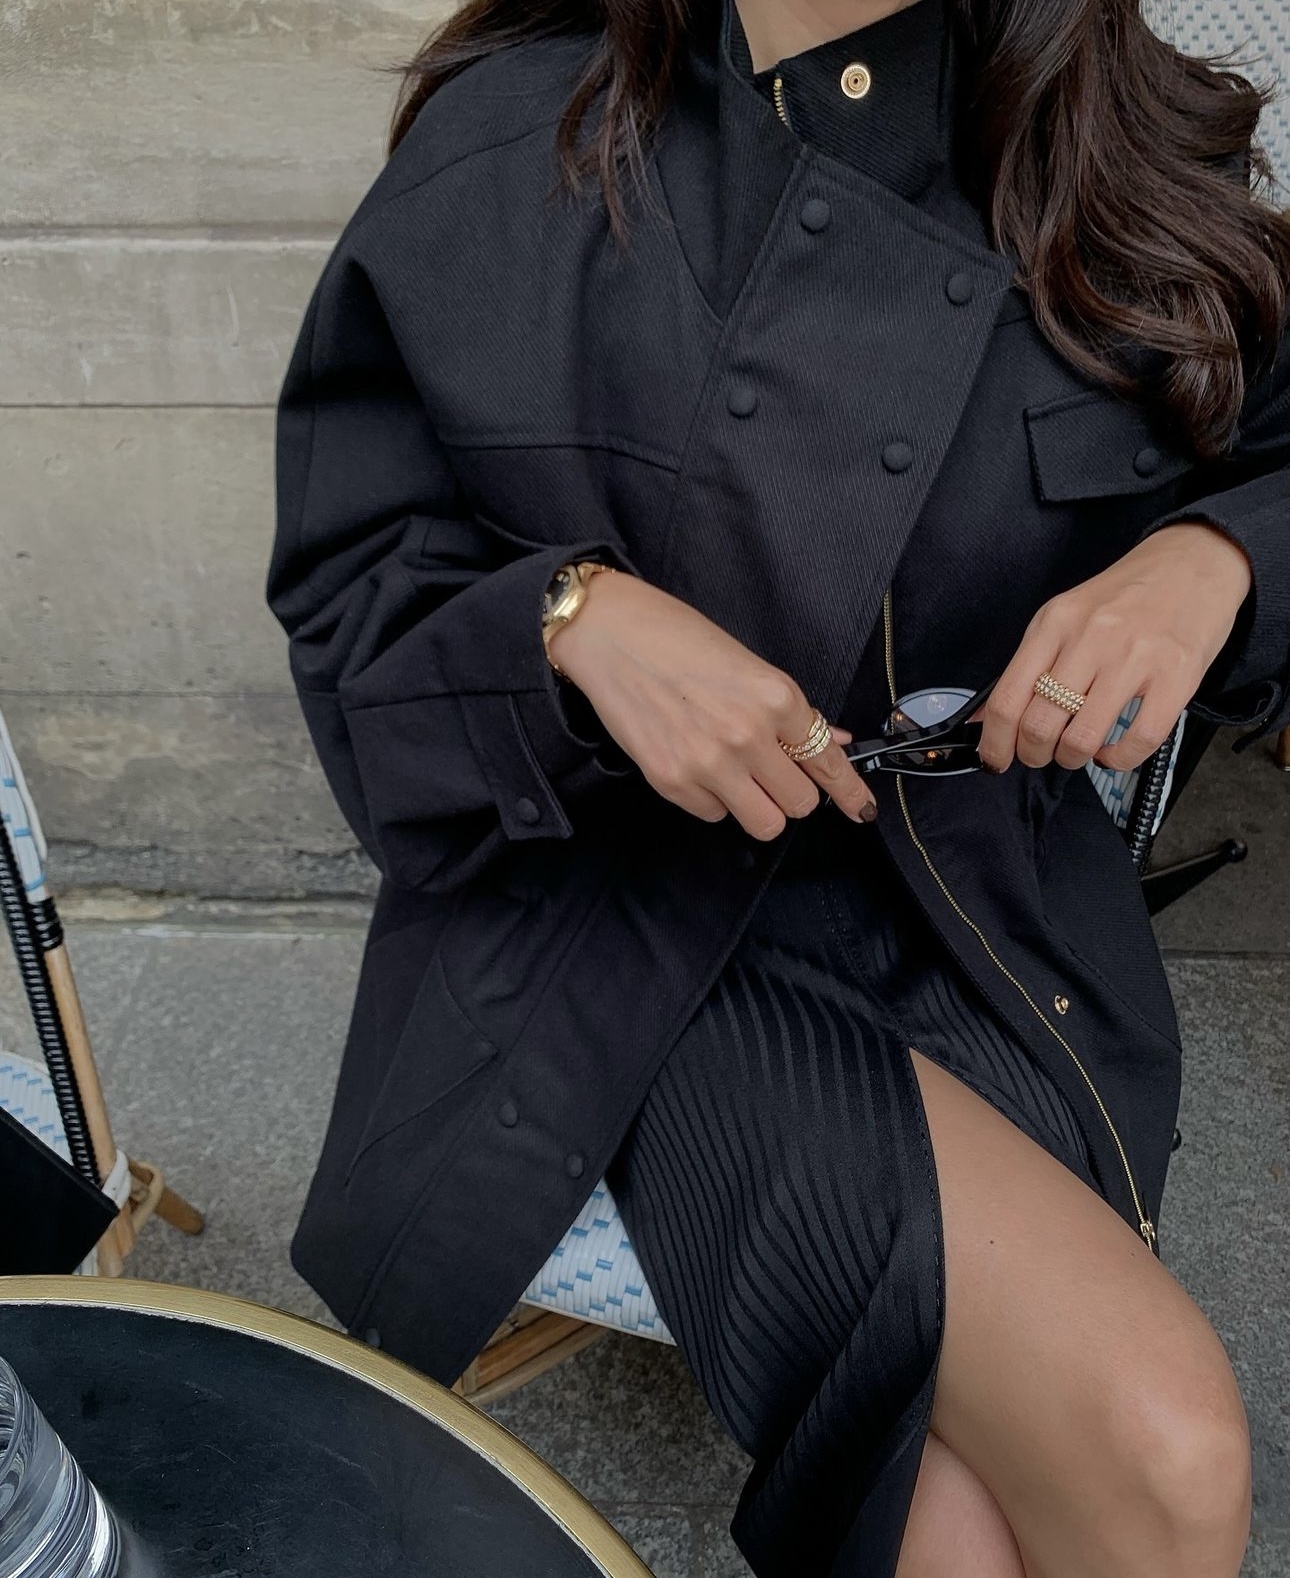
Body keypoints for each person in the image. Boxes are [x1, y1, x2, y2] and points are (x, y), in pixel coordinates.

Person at [266, 0, 1290, 1572]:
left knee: (961, 1525)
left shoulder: (1101, 134)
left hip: (981, 902)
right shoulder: (530, 144)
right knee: (1164, 1448)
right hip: (636, 941)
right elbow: (355, 605)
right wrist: (572, 618)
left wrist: (1212, 557)